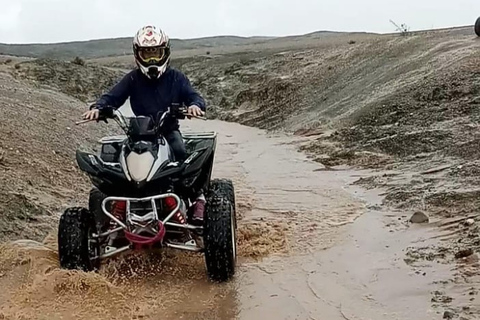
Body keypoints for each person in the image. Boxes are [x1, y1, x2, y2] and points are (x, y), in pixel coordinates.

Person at [82, 25, 207, 225]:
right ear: (137, 54)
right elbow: (112, 97)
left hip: (168, 131)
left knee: (183, 156)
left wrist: (194, 106)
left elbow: (194, 96)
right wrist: (98, 107)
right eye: (146, 53)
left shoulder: (177, 77)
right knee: (114, 167)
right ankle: (113, 210)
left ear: (165, 52)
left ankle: (197, 199)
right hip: (138, 134)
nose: (151, 59)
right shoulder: (132, 78)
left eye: (156, 53)